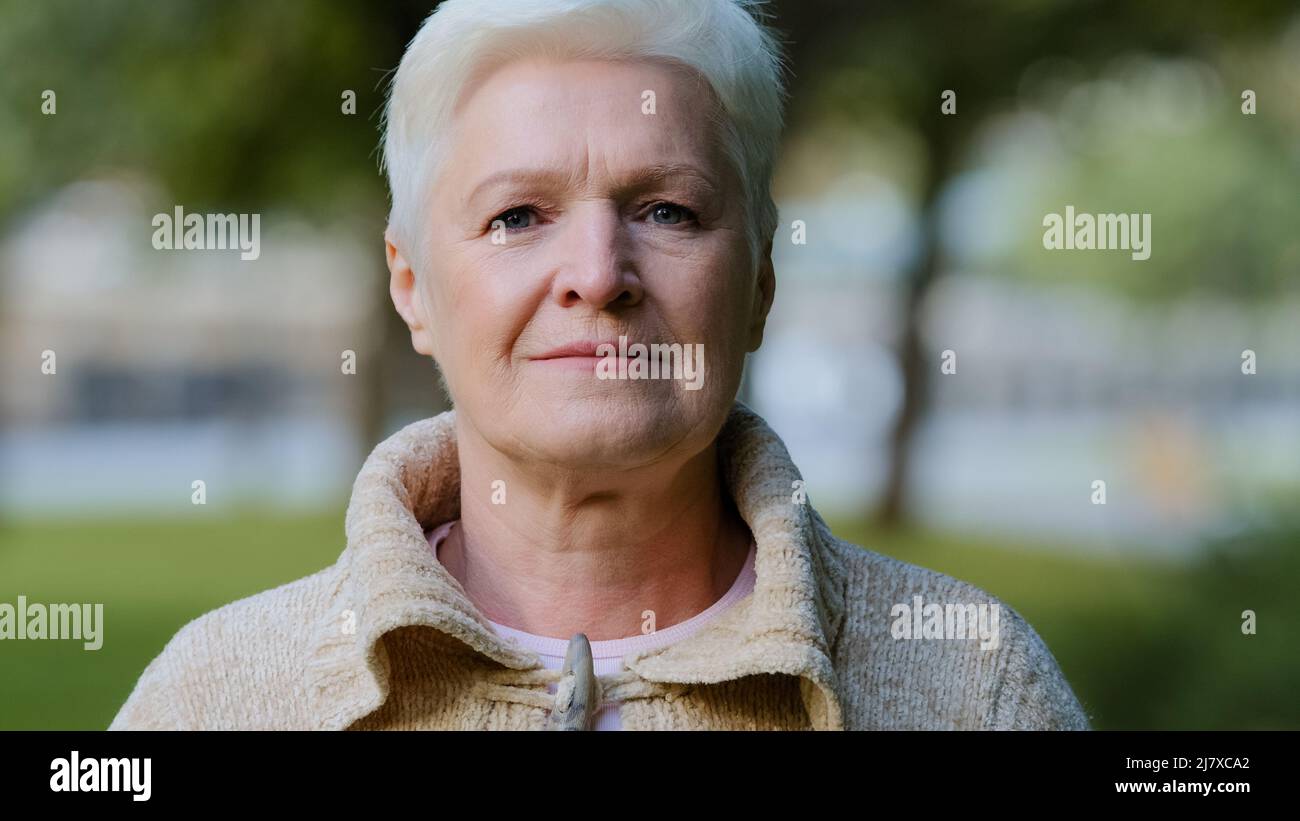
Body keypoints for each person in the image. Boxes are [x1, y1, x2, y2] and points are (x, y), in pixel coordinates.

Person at [110, 0, 1090, 731]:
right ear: (411, 286)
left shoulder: (974, 684)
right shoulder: (214, 696)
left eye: (666, 209)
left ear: (758, 278)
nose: (596, 275)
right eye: (517, 216)